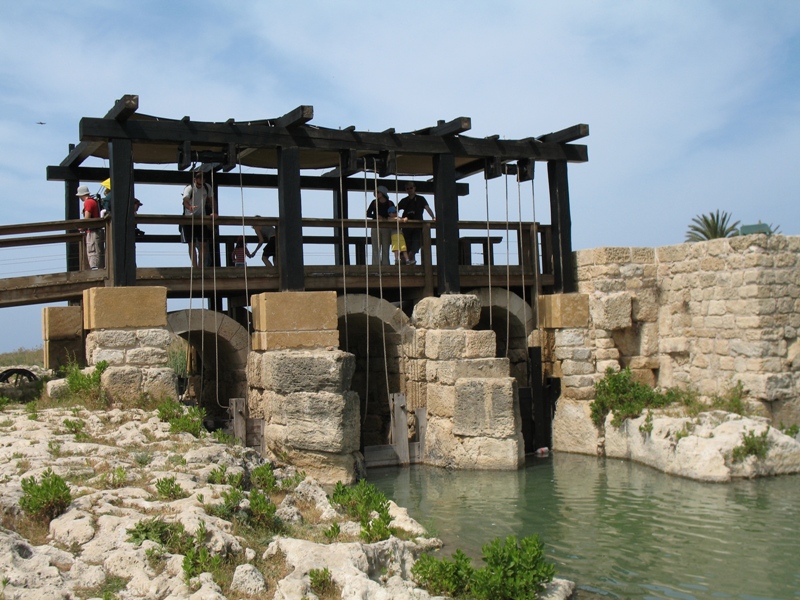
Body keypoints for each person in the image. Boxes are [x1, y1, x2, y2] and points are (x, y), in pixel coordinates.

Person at [181, 171, 214, 268]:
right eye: (198, 180)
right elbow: (185, 201)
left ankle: (201, 266)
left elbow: (211, 200)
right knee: (191, 244)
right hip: (189, 219)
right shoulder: (189, 188)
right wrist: (189, 207)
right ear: (194, 180)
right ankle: (194, 266)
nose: (200, 183)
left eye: (202, 180)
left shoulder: (207, 187)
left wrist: (214, 212)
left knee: (203, 244)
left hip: (201, 218)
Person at [397, 182, 435, 265]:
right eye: (407, 188)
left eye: (411, 188)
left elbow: (427, 208)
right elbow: (395, 210)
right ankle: (407, 261)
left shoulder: (421, 199)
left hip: (418, 226)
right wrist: (400, 219)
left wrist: (433, 217)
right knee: (406, 245)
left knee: (415, 245)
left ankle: (409, 261)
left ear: (414, 188)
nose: (409, 190)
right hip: (406, 226)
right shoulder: (404, 200)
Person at [366, 185, 394, 266]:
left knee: (386, 247)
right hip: (375, 226)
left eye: (377, 192)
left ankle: (386, 265)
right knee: (375, 247)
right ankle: (375, 265)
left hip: (386, 226)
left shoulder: (390, 203)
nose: (375, 193)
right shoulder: (374, 202)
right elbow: (368, 213)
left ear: (382, 193)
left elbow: (393, 213)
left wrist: (386, 218)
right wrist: (376, 217)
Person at [77, 185, 102, 270]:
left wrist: (81, 227)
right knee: (96, 250)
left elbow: (86, 218)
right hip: (96, 231)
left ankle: (94, 269)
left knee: (92, 251)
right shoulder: (93, 201)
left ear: (81, 195)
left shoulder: (88, 202)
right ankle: (96, 268)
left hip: (92, 231)